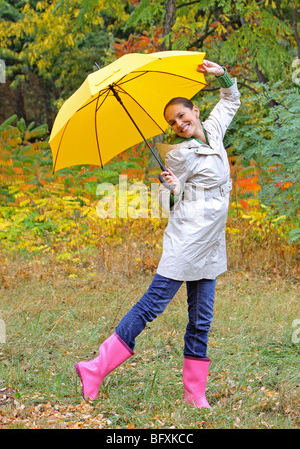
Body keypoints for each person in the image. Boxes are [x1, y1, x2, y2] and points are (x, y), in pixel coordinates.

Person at [75, 60, 241, 409]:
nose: (180, 124)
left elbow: (230, 100)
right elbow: (168, 200)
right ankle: (95, 367)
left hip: (210, 243)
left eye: (183, 116)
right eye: (173, 122)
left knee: (202, 318)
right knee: (152, 306)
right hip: (187, 241)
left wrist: (220, 74)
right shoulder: (177, 155)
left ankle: (195, 393)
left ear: (195, 111)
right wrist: (172, 187)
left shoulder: (214, 130)